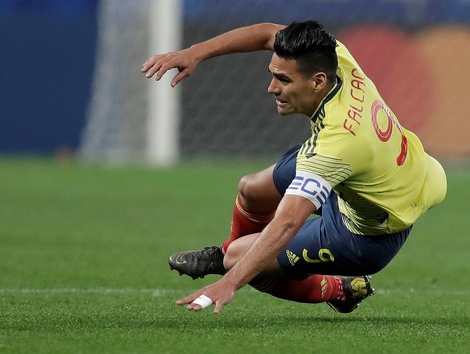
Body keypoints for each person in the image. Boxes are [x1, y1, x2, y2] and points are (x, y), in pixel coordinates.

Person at [141, 21, 447, 314]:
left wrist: (229, 282)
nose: (271, 88)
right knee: (251, 189)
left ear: (317, 82)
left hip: (365, 233)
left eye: (284, 80)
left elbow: (287, 223)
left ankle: (340, 290)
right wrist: (196, 51)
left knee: (242, 261)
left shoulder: (336, 145)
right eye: (274, 74)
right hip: (394, 172)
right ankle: (229, 253)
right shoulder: (335, 56)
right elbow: (265, 34)